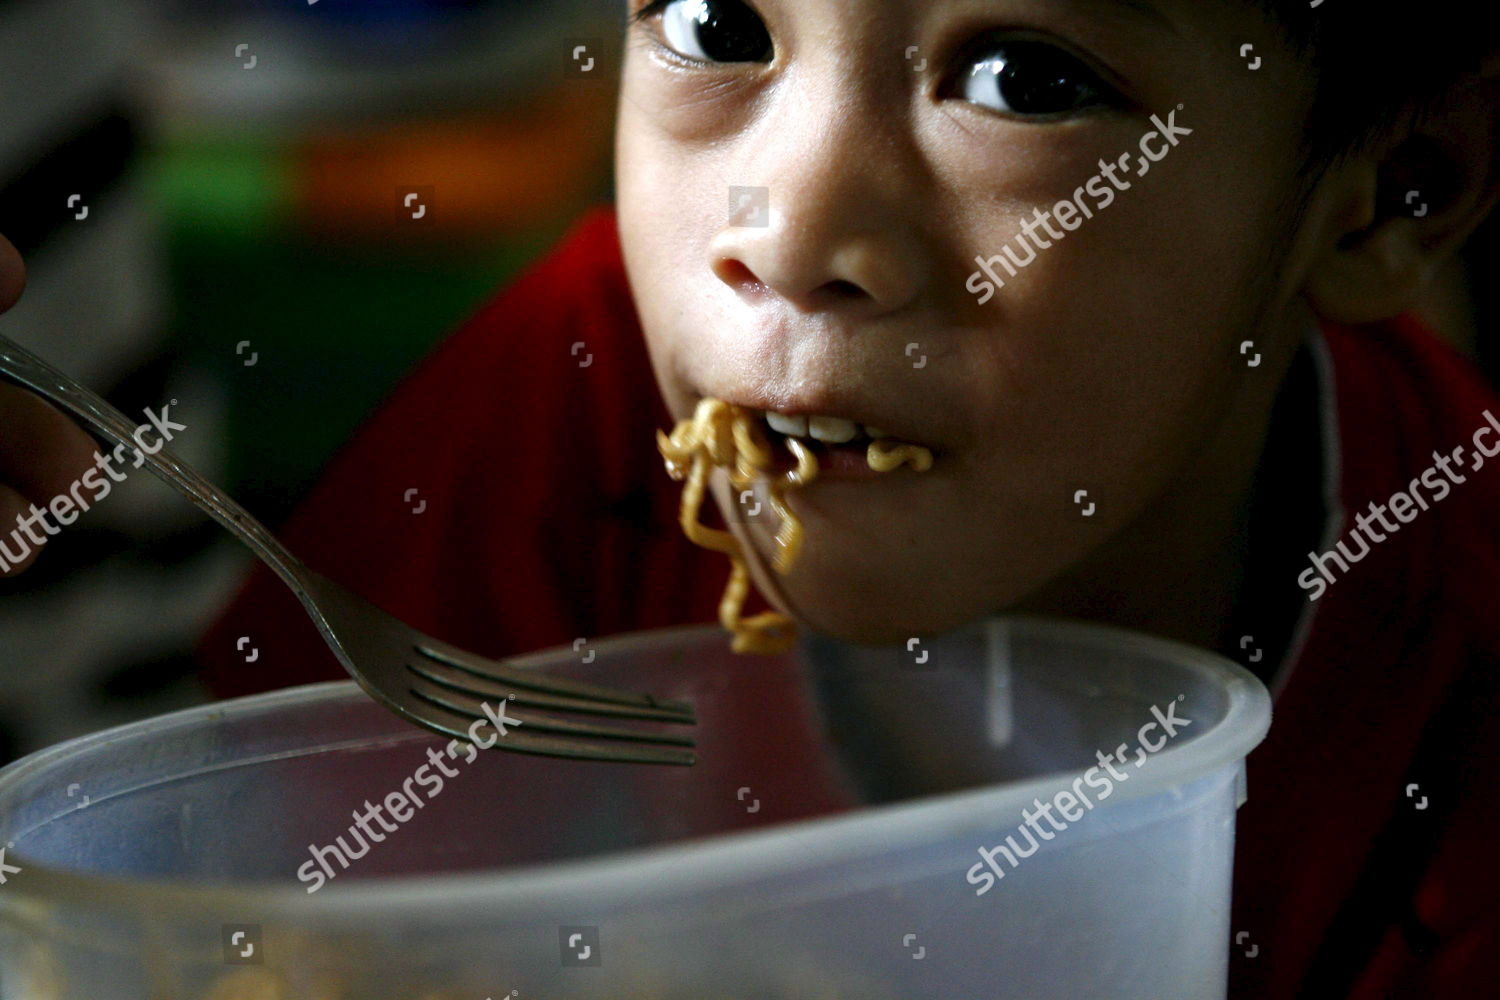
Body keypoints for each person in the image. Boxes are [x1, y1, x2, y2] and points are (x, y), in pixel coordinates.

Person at [6, 1, 1499, 995]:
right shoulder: (555, 408)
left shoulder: (1458, 622)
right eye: (718, 23)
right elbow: (276, 907)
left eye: (1022, 82)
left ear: (1392, 192)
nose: (785, 233)